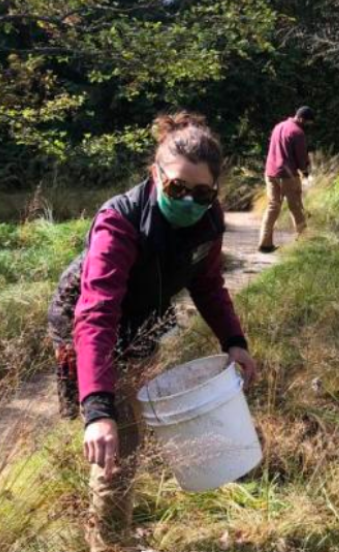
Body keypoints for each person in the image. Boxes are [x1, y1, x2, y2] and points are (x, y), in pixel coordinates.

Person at [46, 112, 259, 552]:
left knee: (134, 426)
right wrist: (98, 409)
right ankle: (110, 543)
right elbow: (97, 314)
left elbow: (208, 283)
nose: (188, 200)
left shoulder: (208, 220)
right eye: (177, 188)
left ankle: (114, 521)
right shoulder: (119, 221)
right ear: (154, 174)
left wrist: (234, 342)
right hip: (86, 321)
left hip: (143, 320)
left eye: (202, 192)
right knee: (115, 442)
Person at [258, 106, 315, 253]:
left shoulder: (279, 126)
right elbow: (301, 158)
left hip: (270, 173)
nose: (308, 126)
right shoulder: (298, 133)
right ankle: (303, 241)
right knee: (295, 206)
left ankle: (265, 243)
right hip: (287, 175)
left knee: (272, 207)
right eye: (308, 123)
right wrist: (305, 172)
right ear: (302, 118)